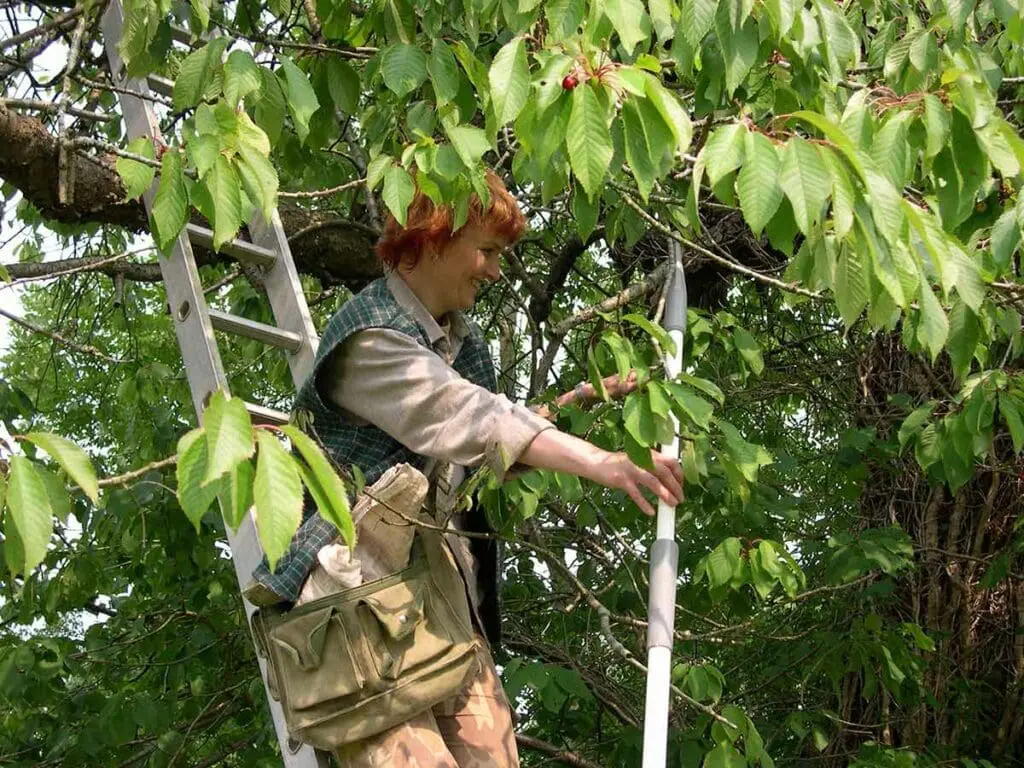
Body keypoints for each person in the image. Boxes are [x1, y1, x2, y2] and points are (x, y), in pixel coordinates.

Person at [247, 170, 683, 767]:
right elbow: (467, 418)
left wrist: (578, 401)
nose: (496, 271)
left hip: (440, 597)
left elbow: (481, 453)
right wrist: (601, 463)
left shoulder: (458, 342)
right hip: (355, 598)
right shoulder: (371, 338)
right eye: (486, 251)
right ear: (431, 240)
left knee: (493, 754)